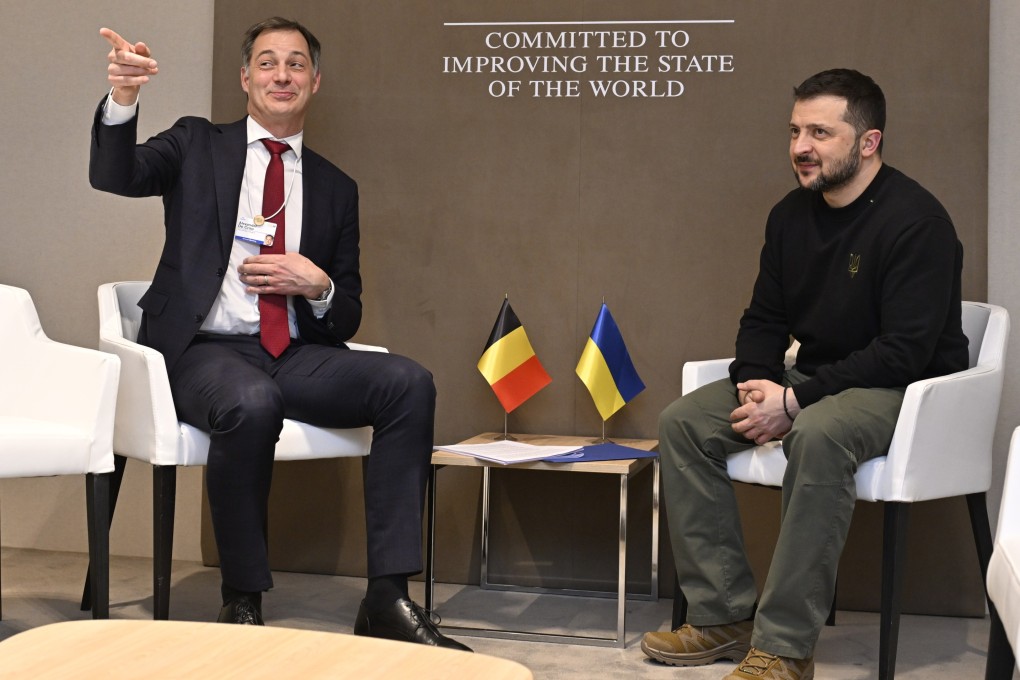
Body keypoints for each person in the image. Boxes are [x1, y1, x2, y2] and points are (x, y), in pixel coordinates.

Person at [90, 17, 470, 651]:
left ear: (314, 82)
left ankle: (386, 598)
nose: (281, 74)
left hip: (294, 353)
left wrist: (316, 284)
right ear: (245, 78)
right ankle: (242, 600)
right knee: (249, 402)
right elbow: (116, 175)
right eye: (267, 63)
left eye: (296, 64)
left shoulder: (334, 188)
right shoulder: (195, 144)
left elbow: (345, 315)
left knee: (408, 383)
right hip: (201, 351)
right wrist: (123, 99)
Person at [641, 69, 968, 680]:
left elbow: (903, 352)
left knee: (819, 433)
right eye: (795, 130)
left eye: (820, 131)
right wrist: (756, 385)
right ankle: (723, 615)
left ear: (867, 142)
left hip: (904, 388)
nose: (800, 147)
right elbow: (764, 316)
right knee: (682, 424)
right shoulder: (791, 216)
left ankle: (785, 648)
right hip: (814, 379)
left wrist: (793, 402)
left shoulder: (917, 222)